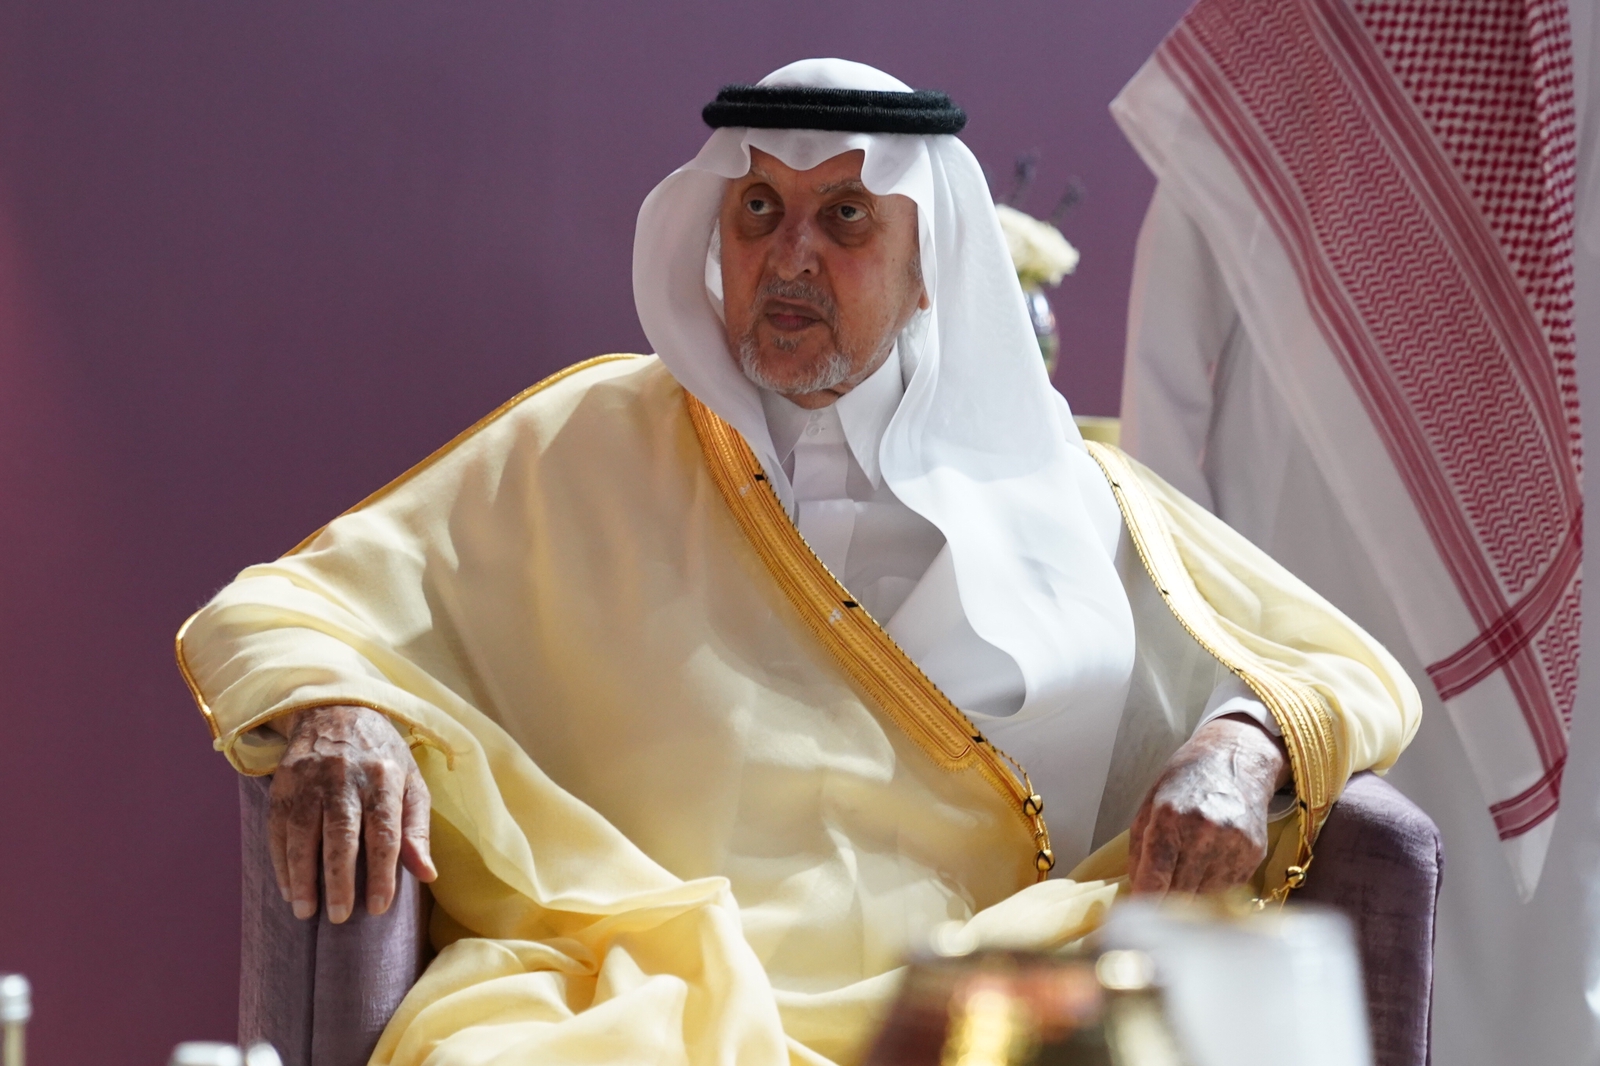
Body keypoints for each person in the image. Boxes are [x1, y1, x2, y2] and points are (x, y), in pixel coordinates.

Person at [177, 58, 1419, 1066]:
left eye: (845, 217)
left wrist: (1238, 747)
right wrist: (341, 709)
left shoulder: (1054, 485)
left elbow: (1342, 667)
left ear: (930, 267)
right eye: (759, 210)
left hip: (977, 999)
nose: (790, 256)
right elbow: (280, 607)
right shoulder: (587, 440)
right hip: (636, 992)